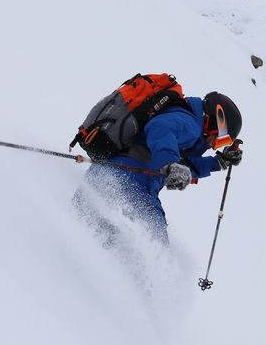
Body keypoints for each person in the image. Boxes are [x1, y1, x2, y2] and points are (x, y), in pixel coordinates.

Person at [73, 92, 243, 247]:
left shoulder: (186, 124)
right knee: (155, 247)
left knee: (94, 246)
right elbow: (159, 128)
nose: (215, 146)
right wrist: (170, 163)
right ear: (216, 122)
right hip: (127, 183)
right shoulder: (190, 124)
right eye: (221, 140)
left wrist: (218, 162)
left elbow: (185, 164)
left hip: (107, 178)